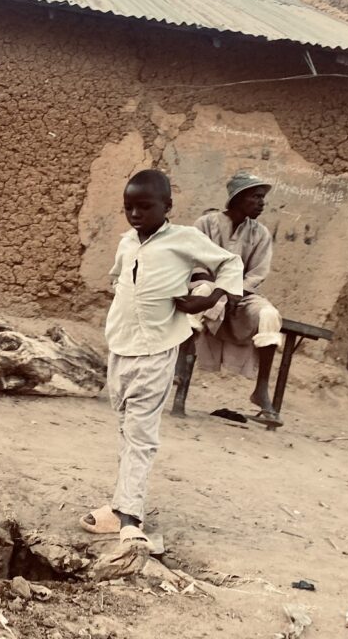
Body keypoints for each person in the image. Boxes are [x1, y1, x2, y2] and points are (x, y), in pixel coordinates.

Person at [80, 169, 244, 548]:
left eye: (145, 206)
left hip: (156, 350)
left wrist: (211, 296)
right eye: (128, 207)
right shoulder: (126, 243)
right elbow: (122, 281)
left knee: (140, 434)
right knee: (125, 428)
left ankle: (131, 518)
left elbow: (231, 264)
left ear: (167, 207)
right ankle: (120, 507)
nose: (135, 214)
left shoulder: (184, 239)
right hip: (120, 347)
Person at [184, 170, 284, 426]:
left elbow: (258, 273)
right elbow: (196, 262)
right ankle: (179, 372)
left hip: (242, 294)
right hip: (207, 286)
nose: (262, 203)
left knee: (269, 316)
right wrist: (219, 290)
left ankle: (261, 390)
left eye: (263, 198)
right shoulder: (205, 224)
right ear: (238, 197)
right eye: (256, 197)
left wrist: (235, 292)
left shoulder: (260, 233)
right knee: (203, 296)